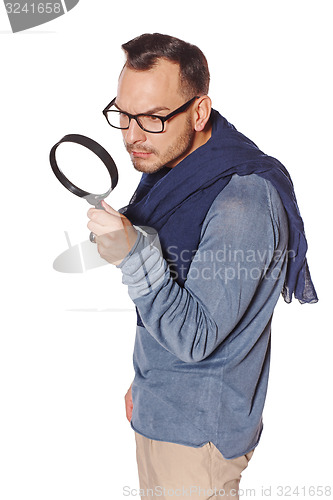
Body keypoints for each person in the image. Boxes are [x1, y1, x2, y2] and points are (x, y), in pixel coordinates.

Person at [87, 33, 317, 499]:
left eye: (153, 118)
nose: (133, 135)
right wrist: (147, 383)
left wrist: (134, 252)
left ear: (198, 111)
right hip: (165, 415)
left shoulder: (242, 202)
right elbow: (177, 292)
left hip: (197, 440)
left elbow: (196, 337)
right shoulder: (177, 176)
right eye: (124, 114)